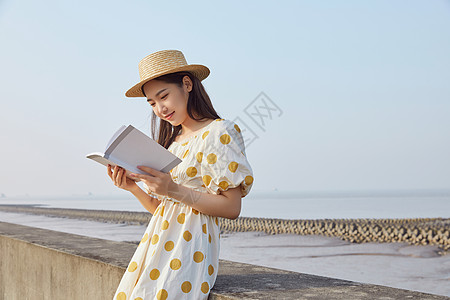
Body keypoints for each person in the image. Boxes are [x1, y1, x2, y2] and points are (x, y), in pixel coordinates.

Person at [108, 49, 254, 300]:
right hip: (156, 245)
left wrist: (173, 189)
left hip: (189, 250)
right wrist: (133, 187)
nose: (160, 109)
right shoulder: (173, 142)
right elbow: (164, 208)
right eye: (152, 103)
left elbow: (232, 207)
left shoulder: (219, 132)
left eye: (163, 96)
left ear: (187, 84)